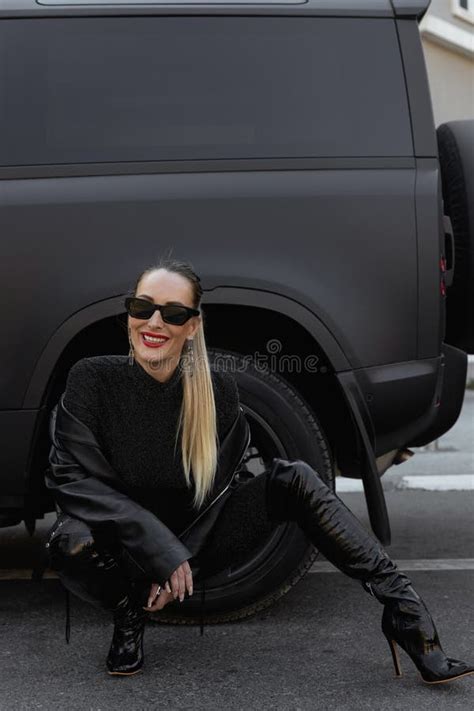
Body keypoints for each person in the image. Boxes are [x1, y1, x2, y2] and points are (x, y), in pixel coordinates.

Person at [45, 257, 474, 685]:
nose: (154, 322)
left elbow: (216, 497)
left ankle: (405, 610)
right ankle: (128, 613)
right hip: (123, 547)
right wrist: (158, 551)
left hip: (193, 548)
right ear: (130, 312)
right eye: (143, 308)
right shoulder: (91, 380)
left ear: (192, 325)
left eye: (173, 313)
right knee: (71, 541)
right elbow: (72, 480)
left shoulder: (217, 392)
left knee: (295, 478)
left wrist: (178, 554)